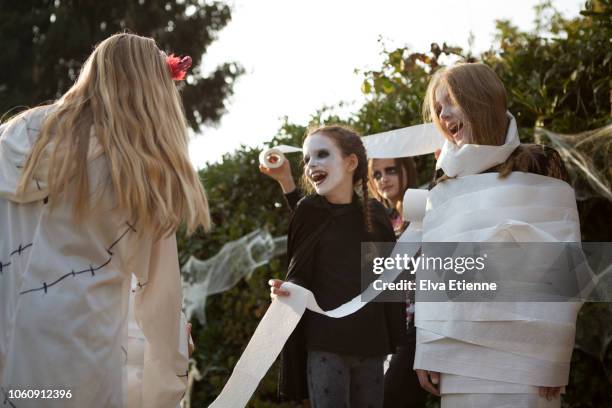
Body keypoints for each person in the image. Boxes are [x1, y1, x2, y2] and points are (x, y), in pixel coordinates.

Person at [0, 33, 209, 408]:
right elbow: (160, 299)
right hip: (77, 360)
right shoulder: (138, 167)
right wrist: (164, 393)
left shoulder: (14, 137)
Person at [413, 62, 580, 408]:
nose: (443, 115)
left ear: (480, 99)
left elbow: (564, 257)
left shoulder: (538, 161)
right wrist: (428, 346)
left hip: (528, 351)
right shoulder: (444, 181)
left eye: (450, 102)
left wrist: (554, 354)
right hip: (460, 351)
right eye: (438, 108)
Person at [261, 155, 427, 407]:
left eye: (391, 170)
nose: (383, 179)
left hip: (415, 329)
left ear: (407, 170)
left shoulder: (422, 211)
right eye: (377, 174)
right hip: (379, 334)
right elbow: (322, 223)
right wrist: (286, 181)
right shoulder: (374, 217)